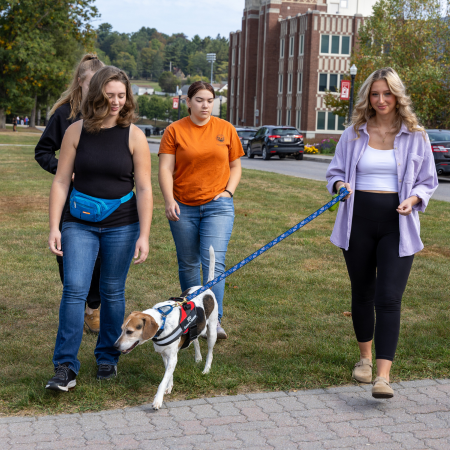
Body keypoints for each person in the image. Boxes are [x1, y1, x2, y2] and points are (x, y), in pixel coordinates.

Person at [326, 67, 438, 399]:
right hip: (357, 220)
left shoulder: (415, 135)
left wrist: (415, 199)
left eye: (387, 93)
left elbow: (428, 181)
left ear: (397, 96)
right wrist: (339, 184)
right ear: (368, 97)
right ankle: (364, 359)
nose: (381, 100)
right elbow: (334, 171)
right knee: (362, 293)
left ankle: (382, 376)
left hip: (397, 223)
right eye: (375, 94)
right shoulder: (355, 133)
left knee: (389, 298)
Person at [45, 66, 152, 391]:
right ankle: (65, 366)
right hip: (79, 223)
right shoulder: (75, 131)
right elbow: (62, 181)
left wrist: (144, 234)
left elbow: (145, 188)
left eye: (122, 95)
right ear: (97, 96)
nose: (117, 101)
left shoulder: (134, 135)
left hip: (122, 224)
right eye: (110, 95)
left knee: (111, 291)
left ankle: (107, 355)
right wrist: (54, 226)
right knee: (74, 290)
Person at [158, 81, 244, 339]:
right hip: (183, 206)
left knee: (214, 264)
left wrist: (228, 192)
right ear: (188, 102)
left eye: (209, 100)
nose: (205, 105)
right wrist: (169, 199)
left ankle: (214, 321)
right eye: (199, 100)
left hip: (218, 207)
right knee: (188, 264)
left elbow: (236, 166)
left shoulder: (226, 129)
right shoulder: (174, 131)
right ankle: (193, 318)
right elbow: (164, 169)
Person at [35, 54, 105, 333]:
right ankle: (76, 301)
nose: (97, 91)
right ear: (80, 82)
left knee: (101, 257)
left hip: (102, 199)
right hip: (70, 199)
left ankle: (93, 308)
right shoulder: (64, 113)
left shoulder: (108, 111)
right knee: (67, 255)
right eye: (92, 84)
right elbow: (42, 152)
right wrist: (65, 171)